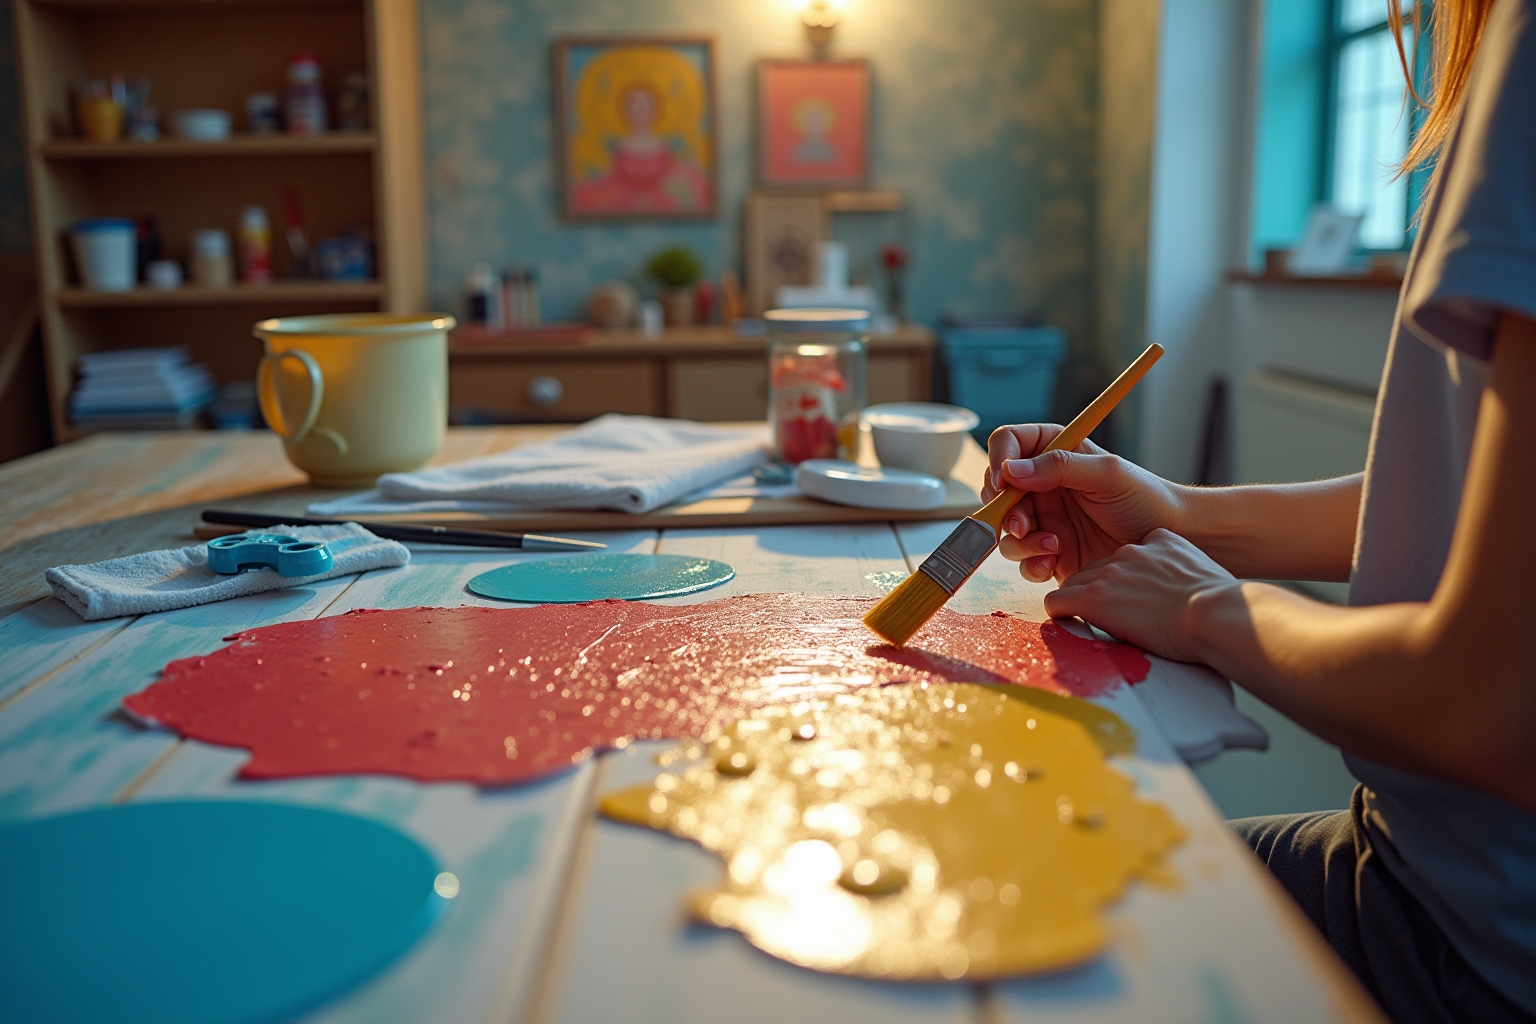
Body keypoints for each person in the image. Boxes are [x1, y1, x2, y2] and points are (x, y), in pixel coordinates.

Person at [981, 1, 1535, 1020]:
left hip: (1471, 953)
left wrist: (1213, 612)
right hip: (1416, 870)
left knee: (998, 910)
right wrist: (1176, 510)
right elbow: (1475, 515)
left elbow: (1491, 711)